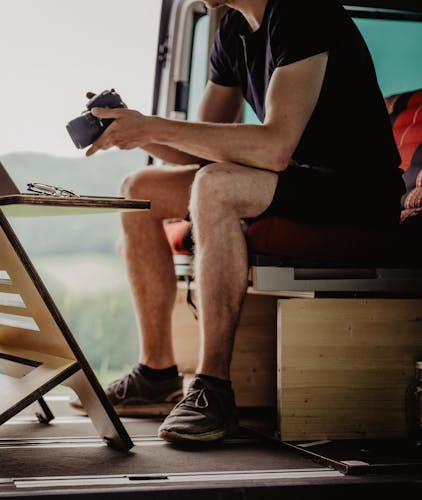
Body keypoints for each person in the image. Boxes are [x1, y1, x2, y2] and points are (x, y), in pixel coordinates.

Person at [74, 0, 404, 443]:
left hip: (353, 190)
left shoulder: (303, 12)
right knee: (139, 188)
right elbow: (199, 145)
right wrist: (134, 131)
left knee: (216, 185)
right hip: (291, 179)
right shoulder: (231, 29)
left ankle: (213, 389)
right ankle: (156, 374)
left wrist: (151, 126)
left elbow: (275, 147)